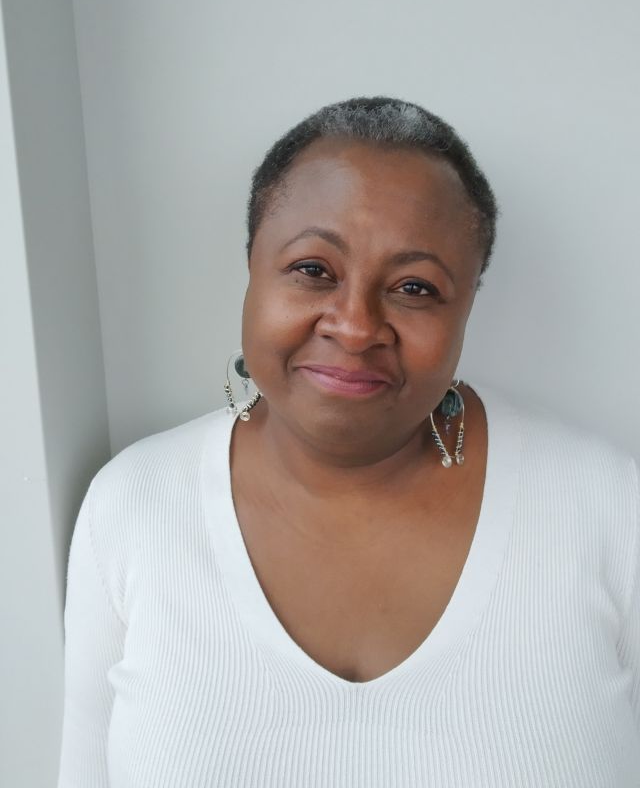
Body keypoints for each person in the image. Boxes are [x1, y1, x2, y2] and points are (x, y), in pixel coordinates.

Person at [57, 96, 639, 787]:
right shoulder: (135, 504)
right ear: (252, 268)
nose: (356, 327)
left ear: (466, 307)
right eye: (313, 270)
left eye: (415, 287)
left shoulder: (606, 507)